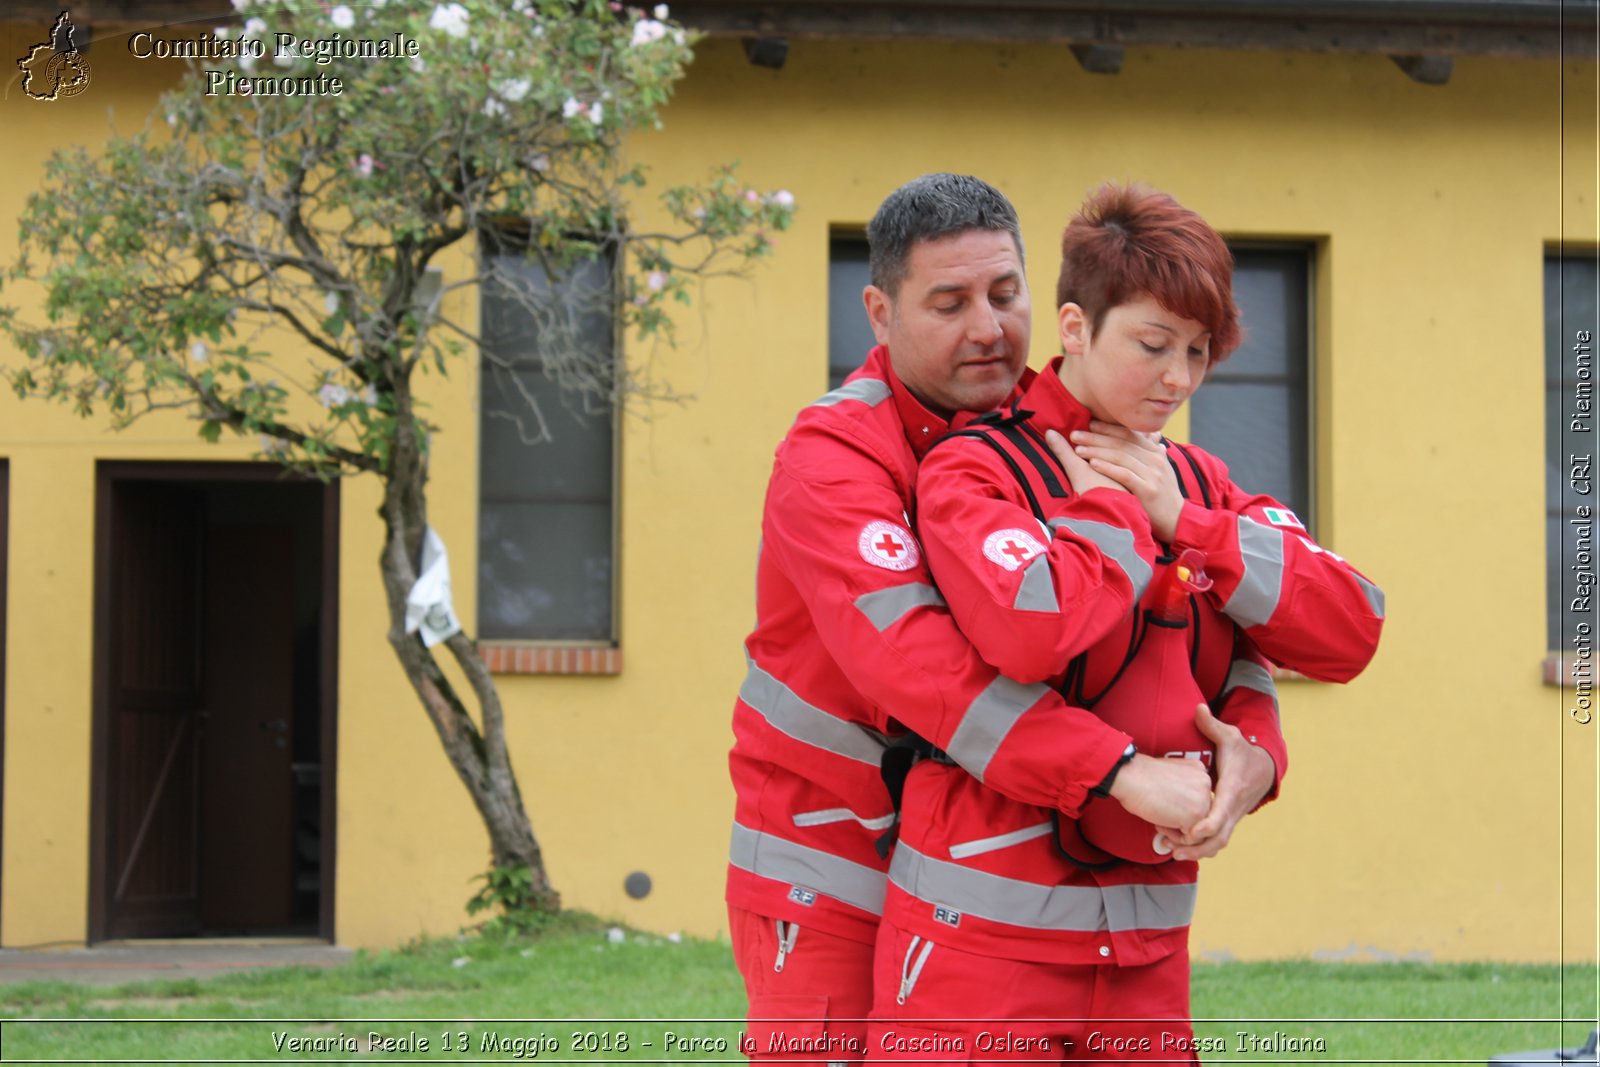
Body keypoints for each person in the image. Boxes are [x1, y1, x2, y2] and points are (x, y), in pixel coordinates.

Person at [862, 183, 1386, 1063]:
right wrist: (1110, 515)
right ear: (1075, 327)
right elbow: (1033, 635)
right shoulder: (973, 469)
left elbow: (1351, 629)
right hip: (975, 956)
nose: (1178, 379)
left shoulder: (1200, 487)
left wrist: (1191, 527)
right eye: (1153, 346)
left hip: (1146, 966)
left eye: (1198, 351)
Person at [726, 175, 1223, 1066]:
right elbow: (926, 676)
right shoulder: (830, 457)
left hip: (982, 862)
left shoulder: (1070, 433)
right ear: (880, 313)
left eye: (1005, 294)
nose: (989, 328)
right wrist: (1115, 770)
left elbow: (1196, 615)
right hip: (829, 860)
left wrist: (1252, 745)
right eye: (948, 303)